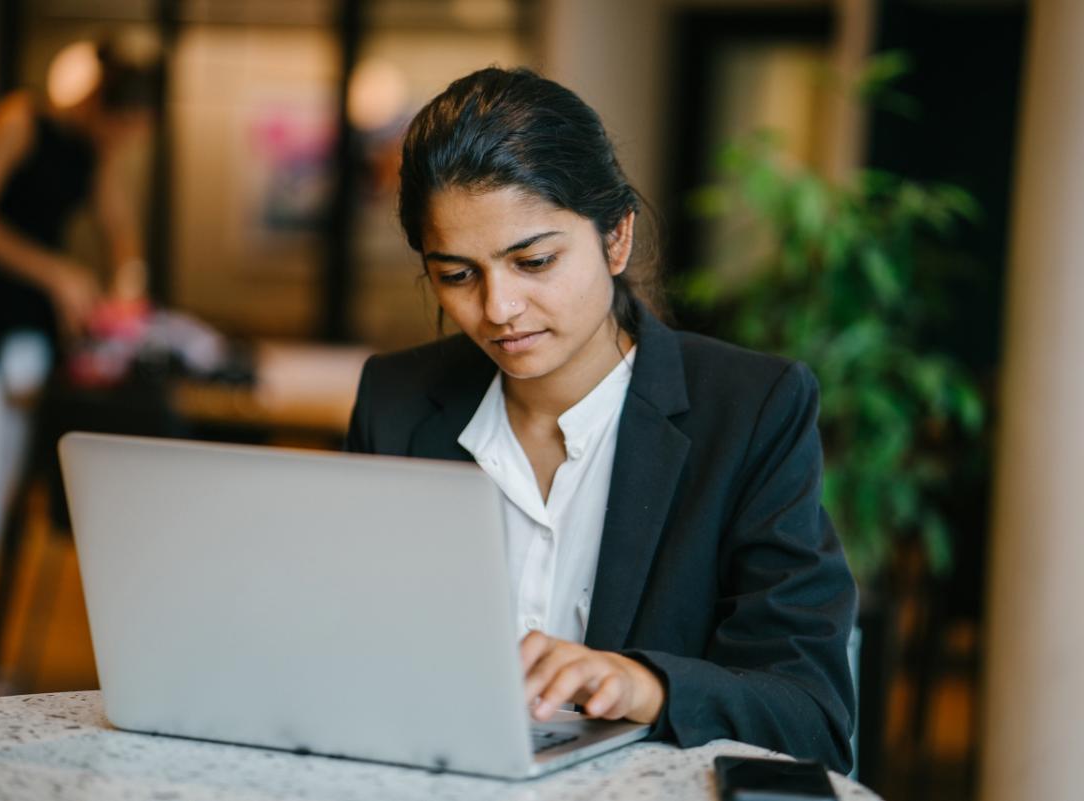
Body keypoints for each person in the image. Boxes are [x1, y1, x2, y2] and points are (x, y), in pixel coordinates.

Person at [344, 67, 857, 771]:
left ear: (616, 239)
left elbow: (810, 713)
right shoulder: (395, 401)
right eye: (458, 275)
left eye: (534, 261)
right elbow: (351, 643)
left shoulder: (749, 412)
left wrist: (642, 684)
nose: (498, 308)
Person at [0, 36, 159, 698]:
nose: (125, 139)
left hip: (30, 331)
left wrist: (126, 284)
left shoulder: (95, 151)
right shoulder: (18, 120)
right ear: (100, 102)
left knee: (0, 477)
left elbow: (121, 232)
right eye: (124, 126)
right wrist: (55, 271)